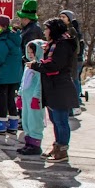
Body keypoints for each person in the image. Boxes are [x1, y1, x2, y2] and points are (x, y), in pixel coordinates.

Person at [30, 18, 80, 162]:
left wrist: (35, 66)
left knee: (61, 120)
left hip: (60, 87)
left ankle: (62, 150)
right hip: (52, 87)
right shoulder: (53, 45)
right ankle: (57, 146)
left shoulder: (63, 45)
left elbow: (54, 65)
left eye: (47, 29)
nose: (45, 32)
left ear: (54, 30)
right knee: (55, 120)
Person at [17, 40, 45, 156]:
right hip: (26, 97)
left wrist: (36, 96)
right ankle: (29, 142)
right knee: (26, 119)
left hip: (34, 98)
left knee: (35, 120)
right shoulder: (28, 66)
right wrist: (19, 94)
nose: (30, 54)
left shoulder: (40, 66)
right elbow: (23, 81)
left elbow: (40, 83)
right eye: (28, 52)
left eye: (33, 52)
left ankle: (35, 144)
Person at [59, 9, 86, 112]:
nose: (61, 19)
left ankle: (74, 105)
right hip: (64, 62)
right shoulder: (61, 30)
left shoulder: (72, 31)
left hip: (72, 62)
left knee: (73, 82)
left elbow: (76, 48)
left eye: (64, 17)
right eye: (60, 17)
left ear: (69, 19)